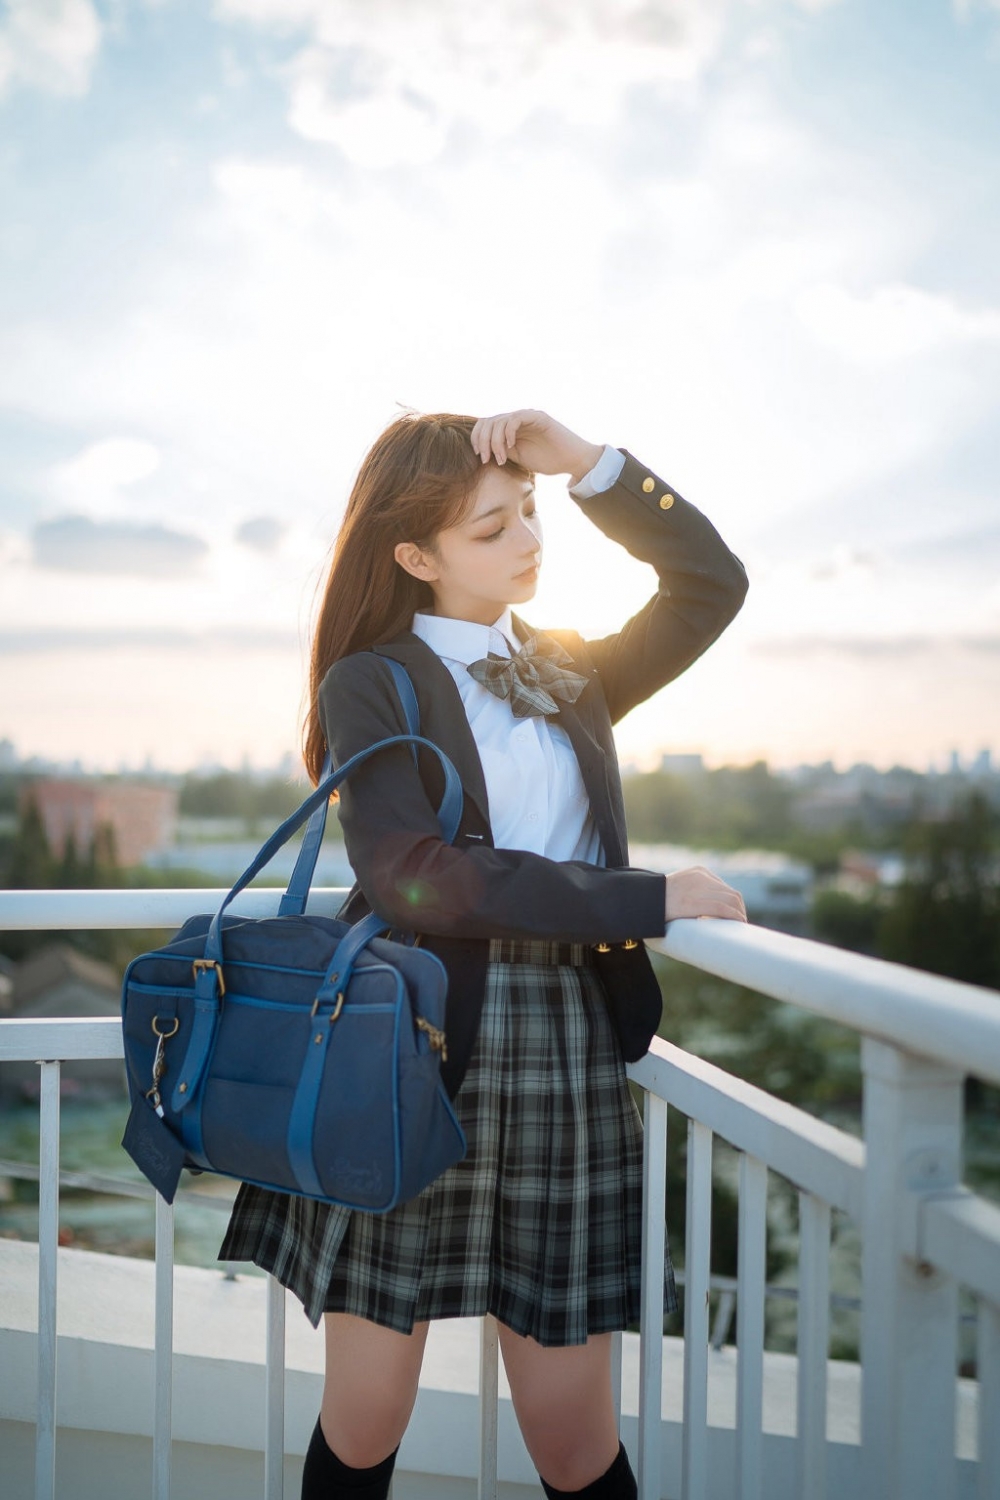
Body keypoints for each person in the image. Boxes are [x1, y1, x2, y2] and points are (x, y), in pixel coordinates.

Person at [220, 408, 749, 1500]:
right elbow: (420, 874)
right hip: (411, 1045)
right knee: (366, 1421)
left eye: (530, 515)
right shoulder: (373, 680)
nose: (527, 540)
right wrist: (644, 896)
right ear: (415, 555)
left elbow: (710, 583)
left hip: (565, 1049)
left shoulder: (569, 672)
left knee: (571, 1437)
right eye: (492, 525)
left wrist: (587, 463)